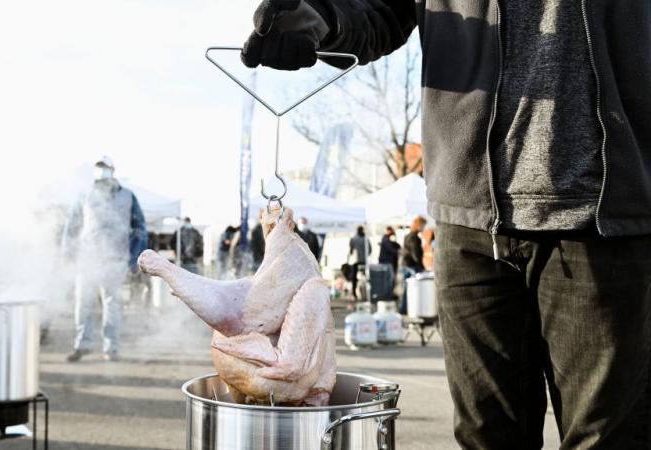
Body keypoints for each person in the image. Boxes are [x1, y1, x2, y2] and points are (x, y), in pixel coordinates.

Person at [242, 1, 651, 447]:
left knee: (609, 439)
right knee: (486, 437)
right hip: (468, 215)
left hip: (605, 212)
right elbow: (378, 11)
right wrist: (316, 15)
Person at [62, 156, 147, 363]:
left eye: (106, 167)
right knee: (83, 303)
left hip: (115, 259)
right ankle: (82, 344)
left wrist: (134, 258)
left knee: (112, 304)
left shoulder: (128, 196)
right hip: (88, 259)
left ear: (113, 170)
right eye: (100, 167)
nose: (102, 171)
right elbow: (71, 226)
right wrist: (68, 253)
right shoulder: (85, 195)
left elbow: (139, 227)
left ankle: (111, 348)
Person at [400, 216, 426, 314]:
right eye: (423, 225)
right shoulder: (414, 238)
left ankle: (404, 309)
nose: (424, 228)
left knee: (407, 289)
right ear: (419, 225)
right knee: (412, 289)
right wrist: (421, 266)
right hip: (412, 266)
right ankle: (406, 309)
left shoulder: (407, 236)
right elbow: (415, 254)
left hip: (407, 264)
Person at [348, 226, 371, 300]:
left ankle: (354, 293)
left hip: (355, 261)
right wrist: (365, 255)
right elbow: (370, 250)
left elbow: (350, 251)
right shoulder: (366, 239)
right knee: (365, 277)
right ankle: (365, 293)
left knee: (354, 278)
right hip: (364, 261)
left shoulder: (353, 239)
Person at [377, 226, 400, 299]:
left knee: (388, 279)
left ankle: (388, 295)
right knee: (388, 279)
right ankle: (388, 295)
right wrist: (398, 252)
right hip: (387, 261)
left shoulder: (386, 239)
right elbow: (390, 250)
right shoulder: (386, 240)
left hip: (387, 261)